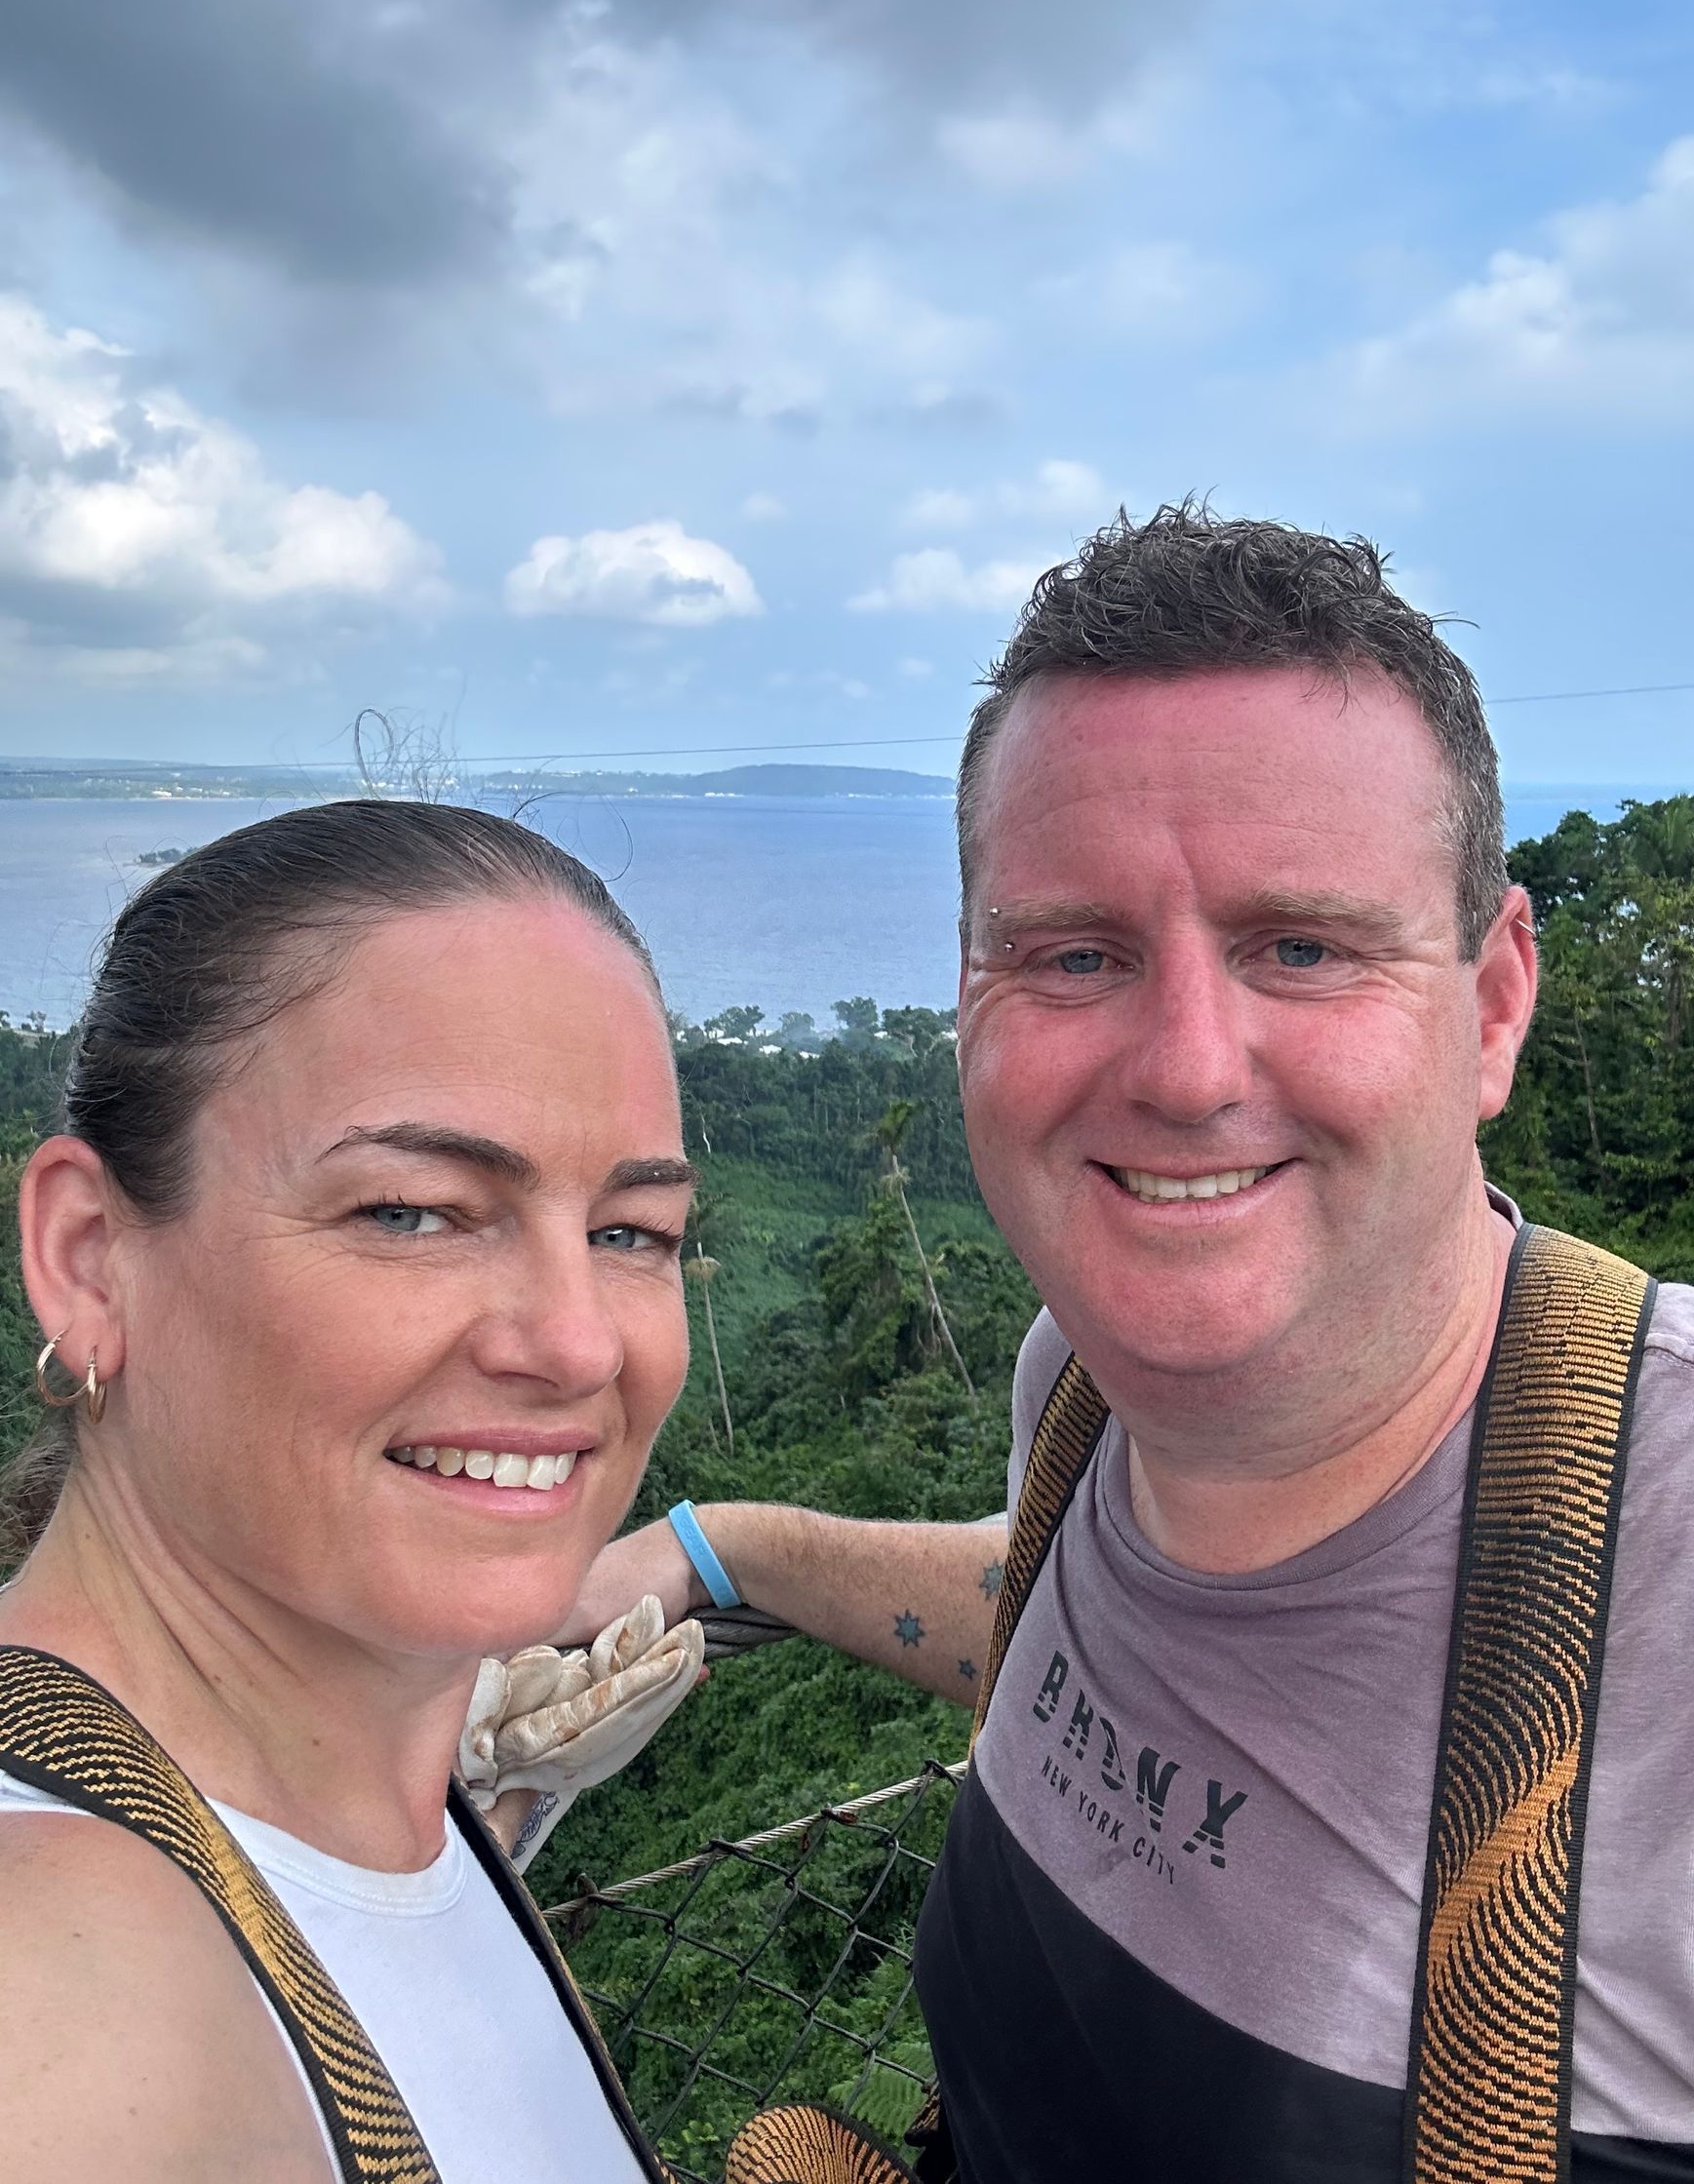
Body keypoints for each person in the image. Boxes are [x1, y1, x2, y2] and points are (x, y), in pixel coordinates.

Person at [568, 506, 1694, 2178]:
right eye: (1072, 954)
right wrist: (706, 1549)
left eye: (1299, 947)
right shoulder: (1080, 1398)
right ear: (967, 995)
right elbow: (1112, 1627)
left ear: (1495, 1001)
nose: (1181, 1067)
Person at [0, 800, 705, 2182]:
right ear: (89, 1259)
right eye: (410, 1212)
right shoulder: (66, 1993)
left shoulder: (377, 1820)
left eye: (632, 1232)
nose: (572, 1344)